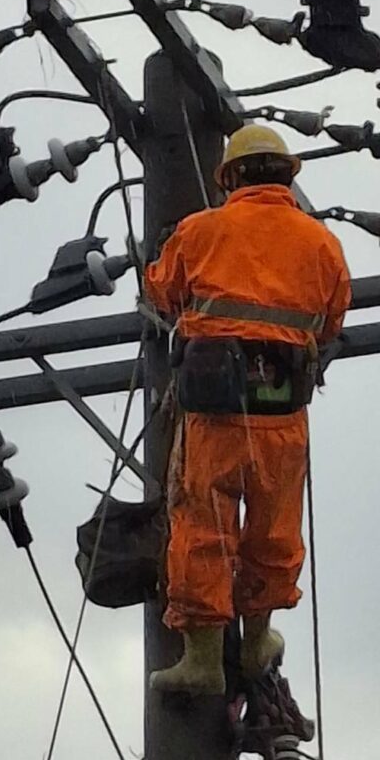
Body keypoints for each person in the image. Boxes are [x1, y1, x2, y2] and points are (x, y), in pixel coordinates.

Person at [144, 124, 352, 695]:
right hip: (283, 417)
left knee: (202, 529)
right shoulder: (321, 243)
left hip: (213, 416)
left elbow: (160, 291)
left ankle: (203, 662)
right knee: (274, 533)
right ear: (288, 176)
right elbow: (333, 321)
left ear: (231, 177)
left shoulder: (201, 231)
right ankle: (257, 640)